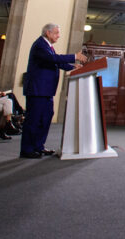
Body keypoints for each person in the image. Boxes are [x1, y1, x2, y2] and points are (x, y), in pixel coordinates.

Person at [20, 23, 86, 159]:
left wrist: (73, 67)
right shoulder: (39, 45)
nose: (58, 36)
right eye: (56, 33)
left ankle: (39, 146)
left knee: (45, 119)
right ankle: (27, 150)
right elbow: (52, 59)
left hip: (46, 90)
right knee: (33, 120)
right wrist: (74, 56)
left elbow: (57, 63)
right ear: (48, 33)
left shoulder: (48, 46)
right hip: (37, 90)